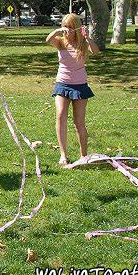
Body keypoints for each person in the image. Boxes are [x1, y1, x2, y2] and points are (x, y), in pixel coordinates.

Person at [45, 13, 100, 166]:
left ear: (76, 27)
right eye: (65, 26)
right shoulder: (61, 42)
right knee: (60, 116)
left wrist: (87, 37)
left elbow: (95, 51)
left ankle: (84, 155)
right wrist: (57, 31)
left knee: (79, 123)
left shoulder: (82, 43)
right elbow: (48, 40)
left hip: (80, 86)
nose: (67, 30)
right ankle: (63, 155)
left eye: (70, 27)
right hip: (62, 84)